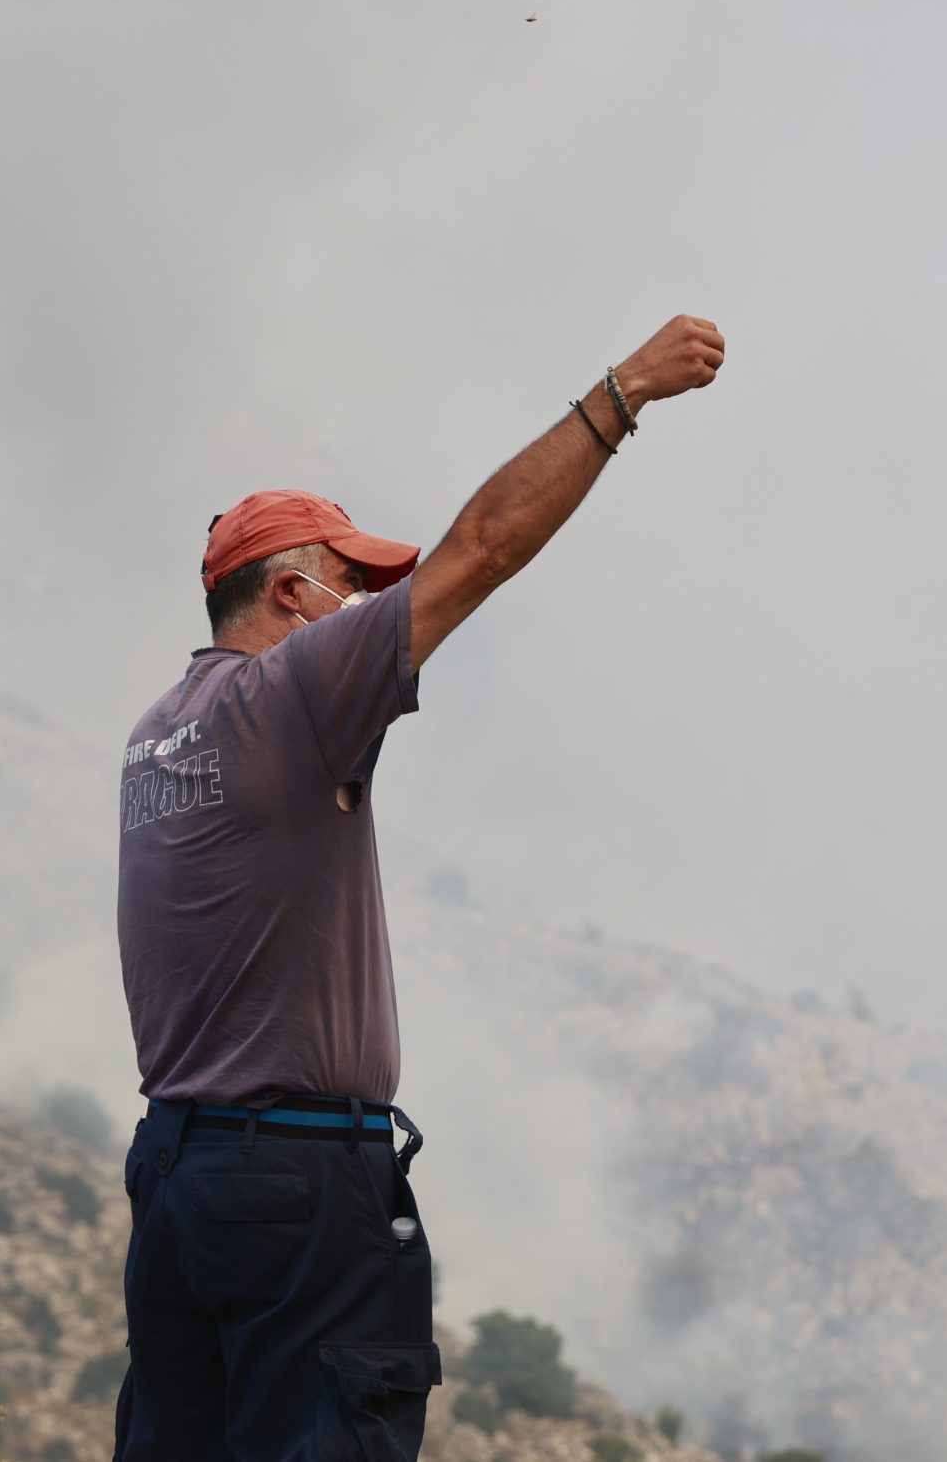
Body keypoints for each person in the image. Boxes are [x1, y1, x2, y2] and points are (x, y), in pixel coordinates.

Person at [111, 313, 727, 1462]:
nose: (372, 607)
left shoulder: (157, 735)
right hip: (297, 1179)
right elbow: (483, 547)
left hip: (179, 1175)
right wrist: (624, 391)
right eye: (352, 582)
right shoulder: (292, 689)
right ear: (292, 596)